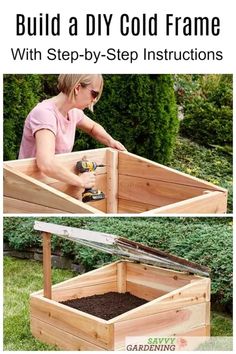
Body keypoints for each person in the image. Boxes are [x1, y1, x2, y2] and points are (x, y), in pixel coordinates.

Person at [19, 74, 126, 190]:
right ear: (78, 88)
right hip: (30, 190)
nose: (94, 100)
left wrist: (111, 141)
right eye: (94, 93)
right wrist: (80, 181)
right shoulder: (45, 114)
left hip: (53, 185)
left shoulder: (72, 112)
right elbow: (46, 163)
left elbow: (93, 128)